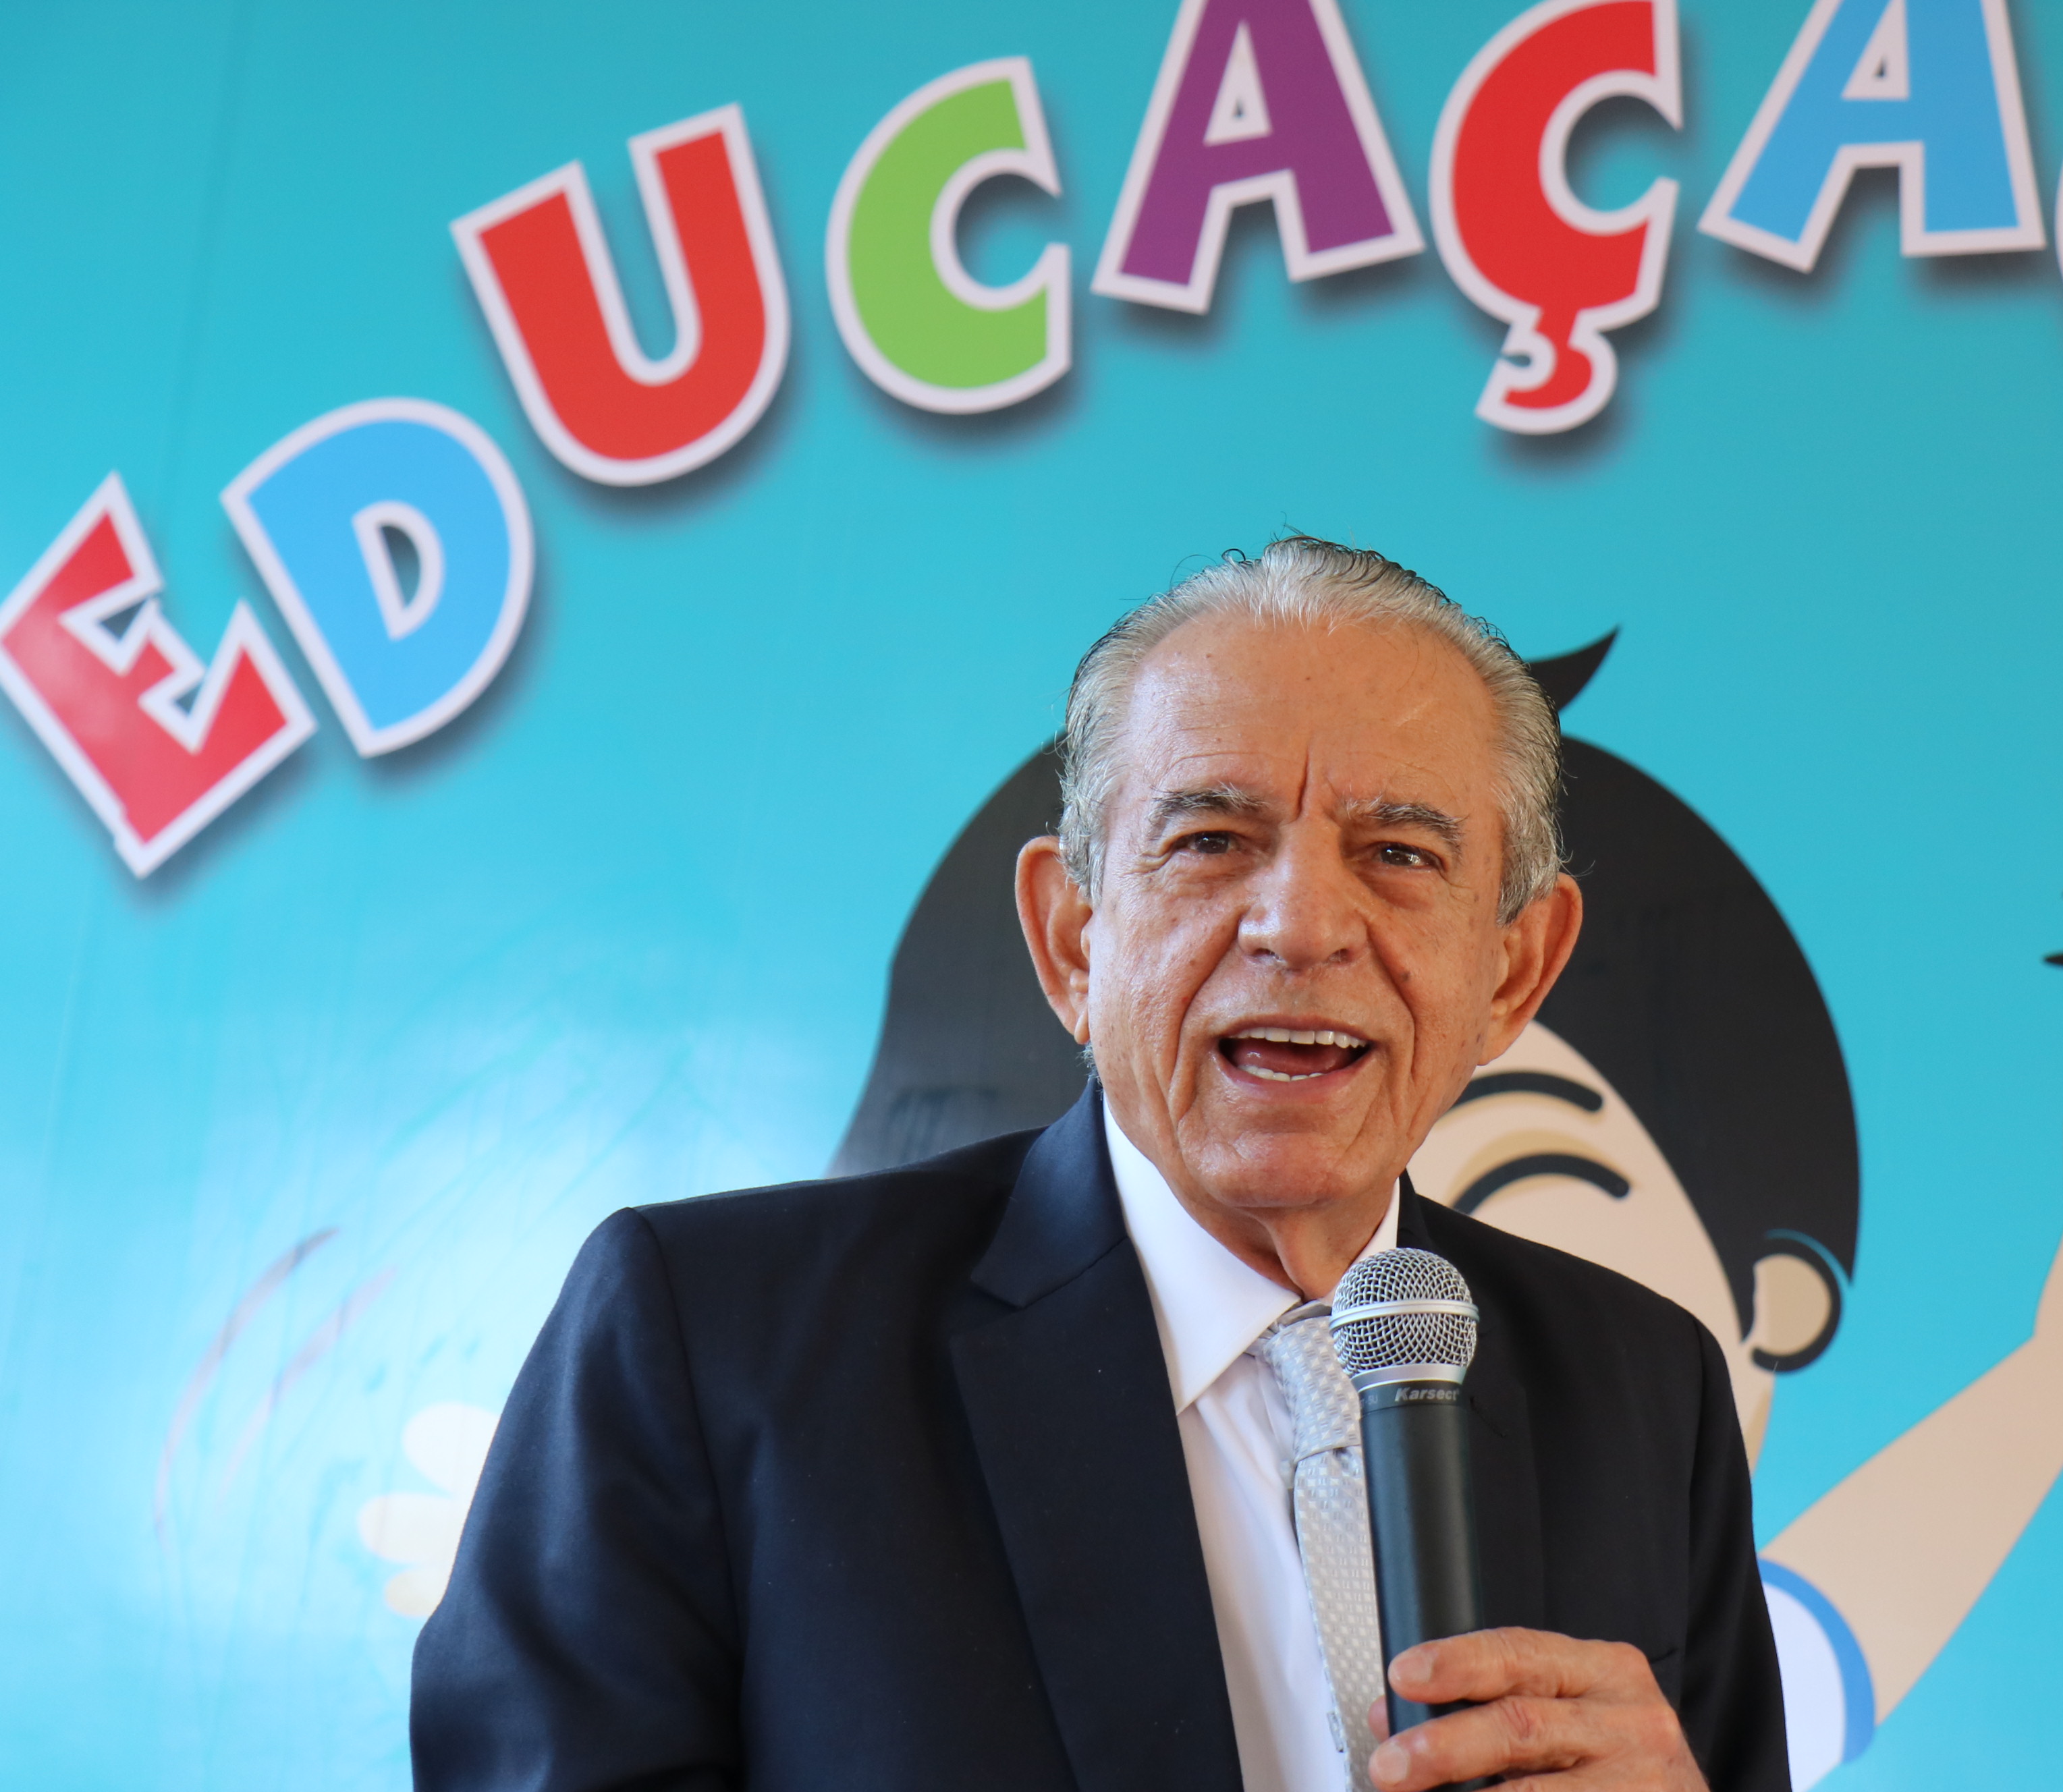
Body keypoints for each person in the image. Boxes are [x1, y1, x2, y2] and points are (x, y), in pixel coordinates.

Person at [411, 538, 1792, 1792]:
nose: (1302, 924)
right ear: (1073, 940)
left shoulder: (1646, 1388)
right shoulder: (710, 1337)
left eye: (1398, 852)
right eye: (1212, 841)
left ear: (1513, 970)